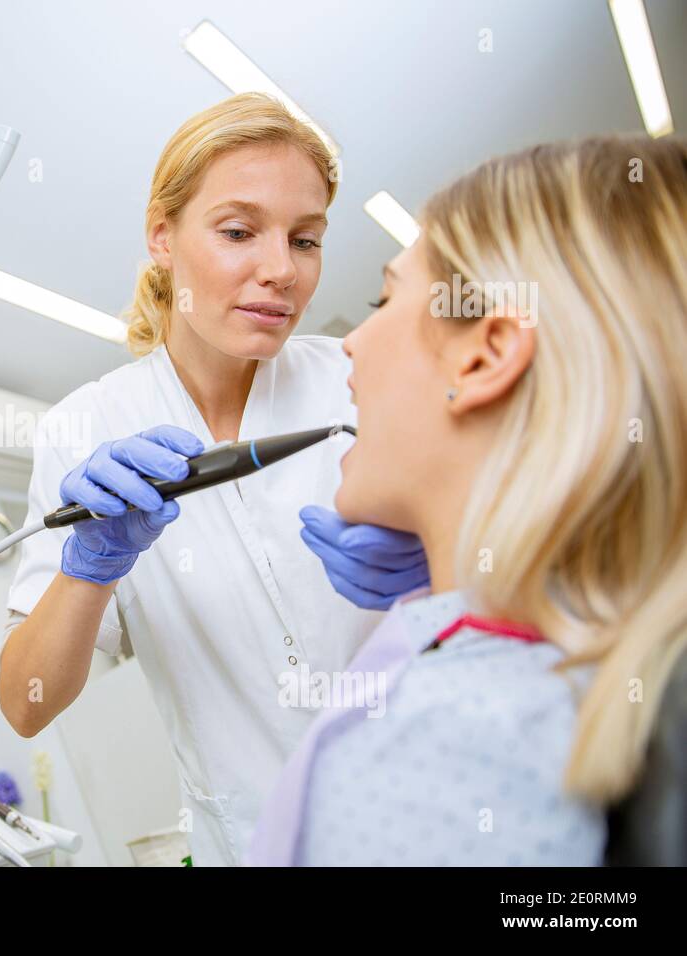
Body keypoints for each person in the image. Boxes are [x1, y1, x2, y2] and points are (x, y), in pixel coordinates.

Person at [0, 93, 427, 866]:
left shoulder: (360, 377)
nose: (281, 272)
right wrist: (88, 570)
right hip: (262, 839)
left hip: (429, 802)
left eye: (306, 240)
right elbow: (26, 703)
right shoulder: (82, 428)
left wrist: (441, 573)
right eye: (237, 232)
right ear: (162, 236)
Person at [247, 133, 687, 865]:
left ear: (483, 357)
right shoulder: (569, 665)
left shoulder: (443, 746)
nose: (351, 343)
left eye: (384, 298)